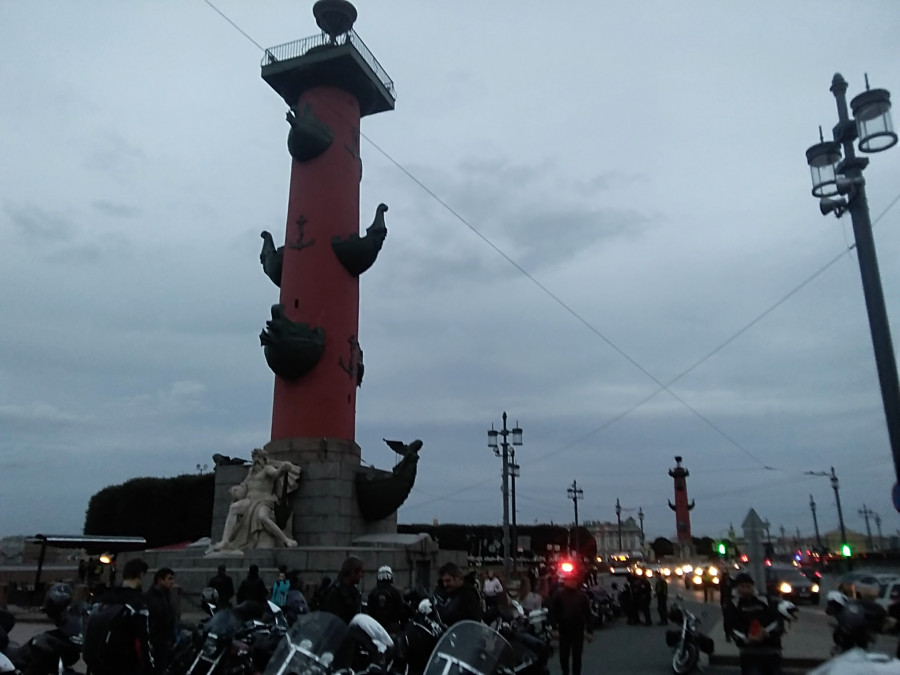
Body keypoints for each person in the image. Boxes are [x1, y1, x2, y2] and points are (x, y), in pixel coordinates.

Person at [208, 447, 301, 552]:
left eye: (258, 458)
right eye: (254, 459)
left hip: (264, 500)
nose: (255, 461)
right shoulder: (251, 471)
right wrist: (236, 490)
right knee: (234, 508)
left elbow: (276, 474)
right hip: (250, 500)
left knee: (262, 517)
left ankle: (285, 539)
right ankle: (224, 541)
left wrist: (283, 468)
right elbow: (245, 486)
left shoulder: (267, 469)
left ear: (264, 460)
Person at [83, 557, 153, 675]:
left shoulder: (105, 598)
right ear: (141, 575)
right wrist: (149, 667)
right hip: (125, 663)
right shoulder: (137, 603)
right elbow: (141, 640)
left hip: (101, 662)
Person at [723, 572, 784, 675]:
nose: (745, 589)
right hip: (749, 653)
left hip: (771, 649)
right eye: (742, 586)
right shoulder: (732, 604)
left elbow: (777, 621)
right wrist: (746, 638)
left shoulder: (765, 600)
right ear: (737, 588)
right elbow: (731, 627)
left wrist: (766, 633)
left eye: (748, 586)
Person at [548, 566, 593, 675]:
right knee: (564, 655)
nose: (572, 582)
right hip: (564, 630)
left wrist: (590, 631)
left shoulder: (582, 596)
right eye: (570, 580)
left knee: (577, 656)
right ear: (565, 581)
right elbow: (552, 612)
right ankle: (565, 672)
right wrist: (554, 628)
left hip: (578, 630)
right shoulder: (558, 595)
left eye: (574, 580)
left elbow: (588, 614)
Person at [144, 567, 177, 672]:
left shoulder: (167, 594)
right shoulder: (150, 597)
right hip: (156, 639)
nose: (172, 582)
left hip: (166, 638)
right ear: (160, 580)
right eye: (169, 578)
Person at [320, 556, 364, 624]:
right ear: (352, 572)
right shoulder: (334, 593)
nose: (361, 575)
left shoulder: (353, 592)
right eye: (360, 572)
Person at [367, 565, 407, 633]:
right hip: (392, 629)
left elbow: (369, 612)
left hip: (375, 628)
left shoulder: (372, 593)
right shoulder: (395, 592)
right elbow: (401, 611)